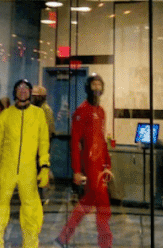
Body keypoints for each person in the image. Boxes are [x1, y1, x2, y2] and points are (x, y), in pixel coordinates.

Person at [0, 79, 50, 248]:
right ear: (14, 92)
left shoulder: (38, 114)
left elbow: (44, 142)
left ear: (30, 92)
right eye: (19, 88)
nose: (23, 91)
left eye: (26, 88)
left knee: (31, 209)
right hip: (6, 168)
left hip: (28, 170)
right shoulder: (6, 115)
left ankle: (30, 244)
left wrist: (44, 166)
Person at [56, 74, 113, 248]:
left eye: (99, 85)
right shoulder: (81, 111)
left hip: (100, 167)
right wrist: (76, 170)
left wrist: (107, 165)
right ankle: (105, 244)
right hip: (89, 167)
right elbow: (75, 143)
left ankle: (63, 237)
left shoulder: (101, 111)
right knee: (102, 206)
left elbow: (102, 141)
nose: (97, 88)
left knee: (88, 203)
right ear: (88, 87)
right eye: (94, 84)